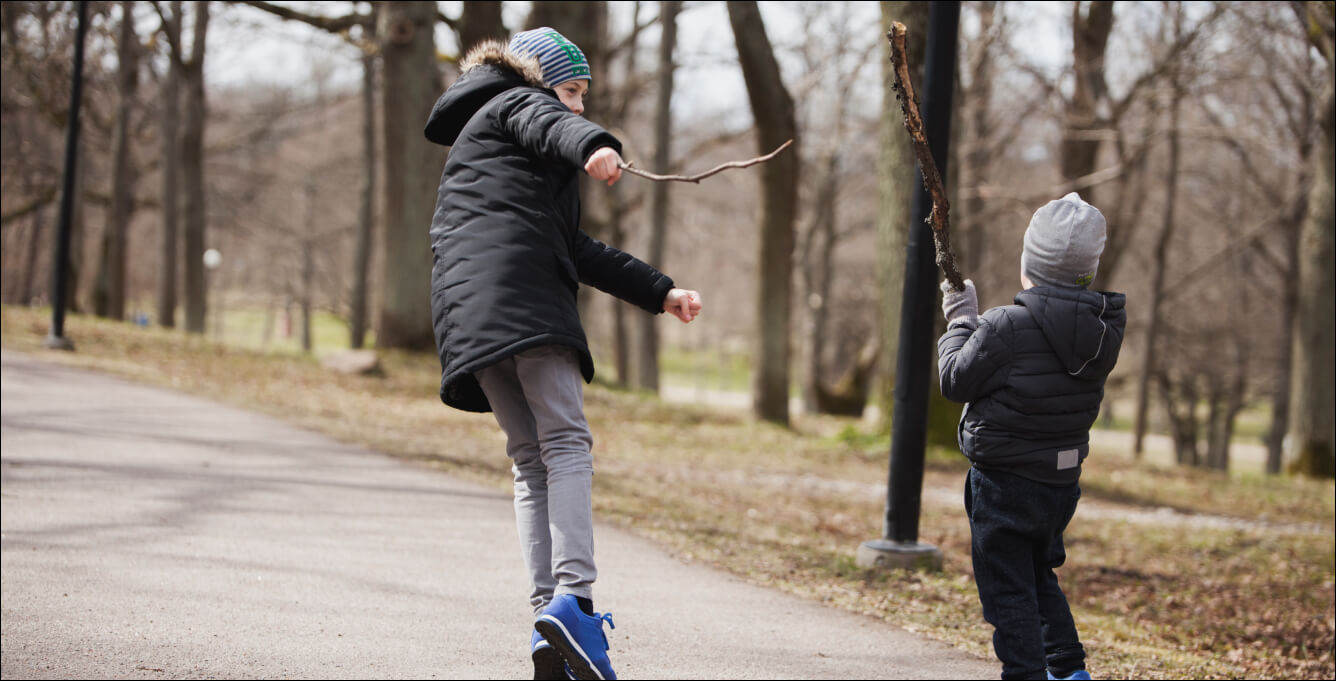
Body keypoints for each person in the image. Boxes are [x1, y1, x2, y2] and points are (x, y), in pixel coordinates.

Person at [423, 27, 702, 681]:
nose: (575, 105)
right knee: (567, 442)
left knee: (530, 459)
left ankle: (547, 618)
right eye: (571, 91)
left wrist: (660, 291)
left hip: (469, 312)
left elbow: (576, 247)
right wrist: (597, 146)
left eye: (582, 97)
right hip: (521, 297)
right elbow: (554, 123)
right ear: (540, 80)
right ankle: (574, 599)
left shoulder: (486, 142)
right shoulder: (517, 102)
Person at [936, 192, 1126, 681]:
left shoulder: (1006, 325)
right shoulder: (1102, 333)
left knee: (1007, 591)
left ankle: (1025, 674)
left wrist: (960, 320)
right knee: (1038, 576)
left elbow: (956, 380)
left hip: (1004, 483)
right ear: (1089, 270)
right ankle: (1068, 671)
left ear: (1029, 266)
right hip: (1059, 483)